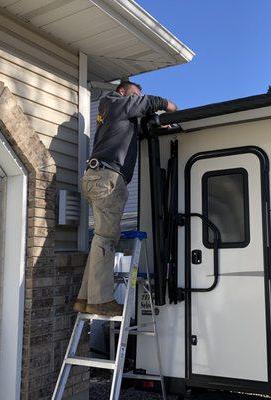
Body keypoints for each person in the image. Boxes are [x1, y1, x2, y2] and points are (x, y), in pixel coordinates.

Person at [74, 81, 177, 316]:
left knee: (101, 238)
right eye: (134, 94)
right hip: (107, 177)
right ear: (122, 91)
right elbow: (148, 102)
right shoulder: (112, 102)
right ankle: (101, 301)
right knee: (107, 239)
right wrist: (171, 107)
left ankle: (85, 298)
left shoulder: (117, 115)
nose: (137, 98)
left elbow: (136, 128)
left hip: (98, 175)